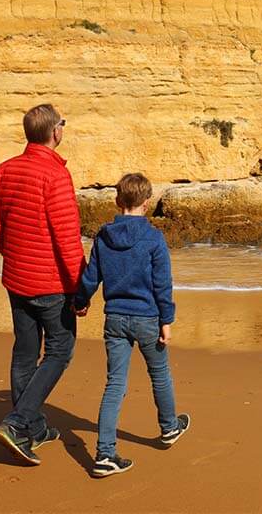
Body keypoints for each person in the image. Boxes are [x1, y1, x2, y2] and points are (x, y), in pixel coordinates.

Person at [0, 103, 83, 466]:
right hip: (51, 284)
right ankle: (18, 422)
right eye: (63, 124)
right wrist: (81, 288)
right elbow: (67, 238)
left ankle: (34, 426)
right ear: (55, 132)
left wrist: (15, 253)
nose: (63, 129)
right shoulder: (55, 175)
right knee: (59, 352)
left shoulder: (6, 169)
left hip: (17, 279)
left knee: (25, 353)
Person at [73, 172, 191, 477]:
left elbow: (90, 277)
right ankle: (169, 427)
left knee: (115, 384)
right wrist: (167, 320)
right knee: (160, 373)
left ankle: (104, 453)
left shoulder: (103, 236)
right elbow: (162, 284)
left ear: (117, 200)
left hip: (115, 318)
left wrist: (80, 300)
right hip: (148, 318)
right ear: (147, 203)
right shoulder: (153, 238)